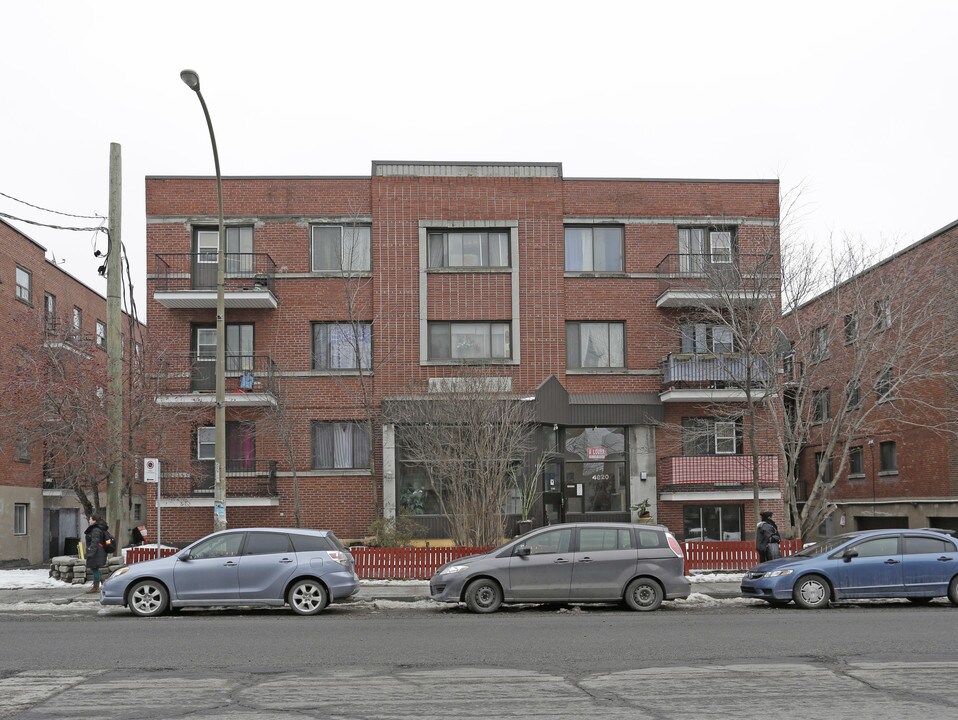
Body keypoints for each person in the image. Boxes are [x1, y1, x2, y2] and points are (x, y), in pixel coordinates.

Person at [84, 513, 109, 594]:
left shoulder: (96, 530)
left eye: (90, 519)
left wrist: (90, 554)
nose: (89, 520)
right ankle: (104, 585)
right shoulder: (98, 528)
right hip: (98, 551)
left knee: (94, 569)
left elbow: (94, 543)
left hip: (96, 552)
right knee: (95, 569)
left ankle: (96, 587)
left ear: (94, 520)